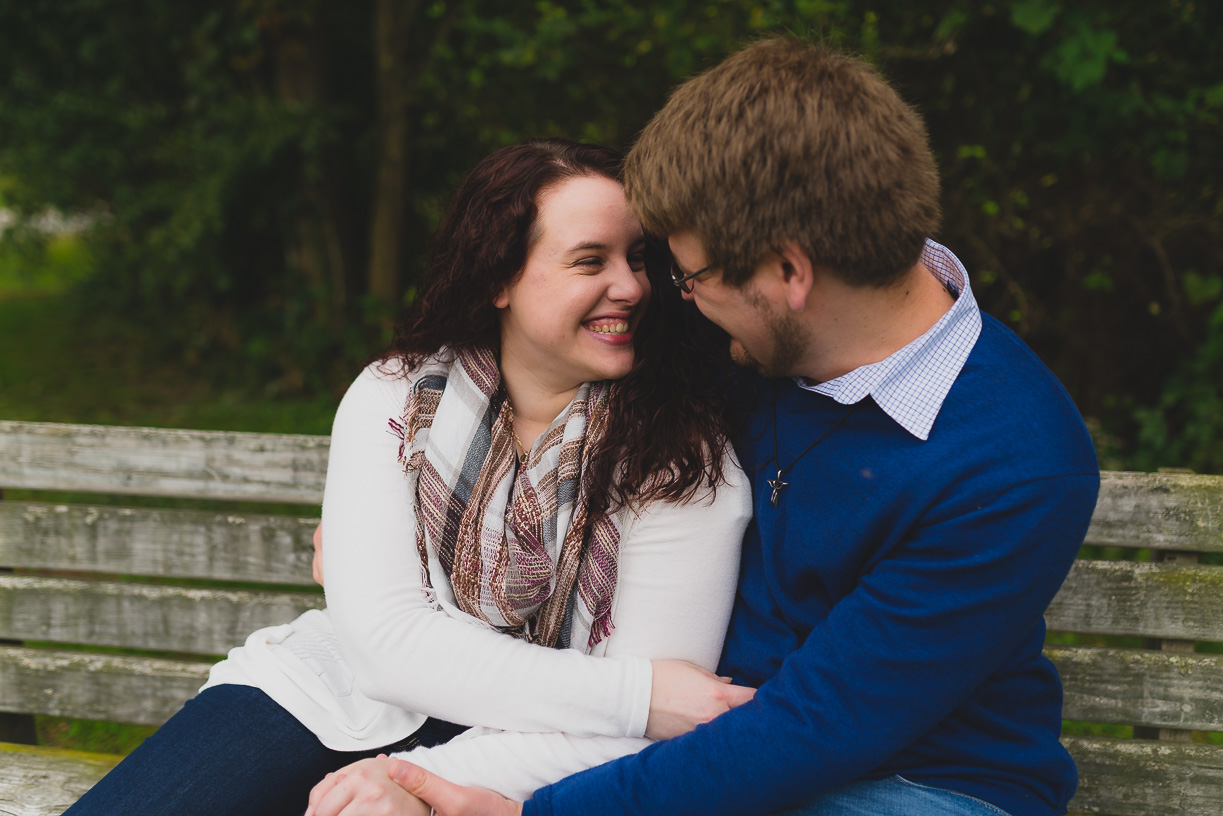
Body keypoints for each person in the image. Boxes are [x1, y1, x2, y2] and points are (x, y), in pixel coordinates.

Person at [327, 37, 1101, 816]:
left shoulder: (1013, 459)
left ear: (788, 274)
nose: (666, 299)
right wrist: (403, 539)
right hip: (684, 749)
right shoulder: (728, 335)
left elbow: (820, 727)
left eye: (688, 276)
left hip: (916, 781)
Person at [64, 139, 754, 816]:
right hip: (334, 693)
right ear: (498, 279)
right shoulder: (396, 398)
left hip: (547, 747)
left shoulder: (683, 456)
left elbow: (643, 734)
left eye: (637, 259)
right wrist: (631, 693)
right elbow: (387, 647)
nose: (630, 286)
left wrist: (412, 784)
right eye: (588, 261)